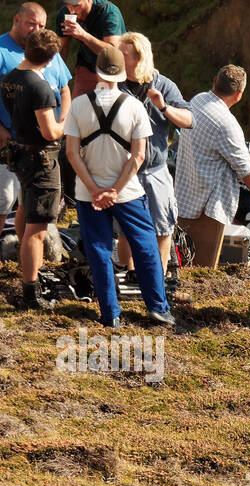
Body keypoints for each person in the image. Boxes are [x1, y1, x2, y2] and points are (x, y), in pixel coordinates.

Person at [62, 44, 173, 327]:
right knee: (146, 247)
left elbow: (72, 154)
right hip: (128, 192)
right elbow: (139, 156)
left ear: (97, 72)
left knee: (98, 250)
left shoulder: (78, 105)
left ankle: (110, 314)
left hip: (89, 194)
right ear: (121, 73)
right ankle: (157, 308)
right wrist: (115, 190)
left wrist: (96, 189)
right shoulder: (135, 106)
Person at [0, 3, 72, 280]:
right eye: (31, 24)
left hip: (46, 145)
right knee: (2, 198)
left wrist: (63, 122)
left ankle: (28, 258)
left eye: (41, 25)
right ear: (17, 20)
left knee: (28, 202)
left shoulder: (48, 52)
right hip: (7, 140)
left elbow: (65, 88)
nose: (36, 30)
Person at [174, 65, 250, 269]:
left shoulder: (198, 100)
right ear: (239, 95)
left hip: (189, 183)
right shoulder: (226, 123)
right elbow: (249, 176)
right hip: (213, 191)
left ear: (214, 82)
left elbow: (229, 149)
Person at [0, 28, 68, 310]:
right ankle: (31, 289)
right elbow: (50, 130)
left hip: (21, 152)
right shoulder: (39, 87)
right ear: (51, 59)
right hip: (41, 158)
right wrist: (66, 122)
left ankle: (24, 265)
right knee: (37, 229)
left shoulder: (9, 79)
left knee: (25, 209)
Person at [114, 32, 191, 279]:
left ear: (139, 57)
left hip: (155, 170)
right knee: (125, 229)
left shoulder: (163, 85)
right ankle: (129, 275)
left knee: (162, 227)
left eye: (123, 54)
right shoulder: (114, 84)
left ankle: (157, 279)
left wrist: (163, 107)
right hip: (123, 169)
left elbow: (189, 120)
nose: (117, 57)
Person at [55, 0, 125, 96]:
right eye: (68, 5)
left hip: (112, 70)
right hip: (87, 65)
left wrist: (83, 35)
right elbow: (62, 47)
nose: (71, 11)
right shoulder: (65, 12)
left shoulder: (108, 12)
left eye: (76, 6)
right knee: (78, 106)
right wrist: (58, 76)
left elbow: (112, 52)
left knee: (111, 106)